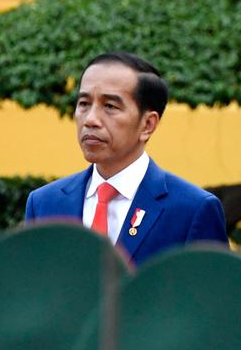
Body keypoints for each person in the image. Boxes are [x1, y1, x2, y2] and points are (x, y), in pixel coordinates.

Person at [24, 51, 228, 265]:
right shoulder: (44, 204)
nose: (90, 120)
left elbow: (209, 296)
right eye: (84, 103)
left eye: (110, 106)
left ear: (147, 125)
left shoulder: (192, 210)